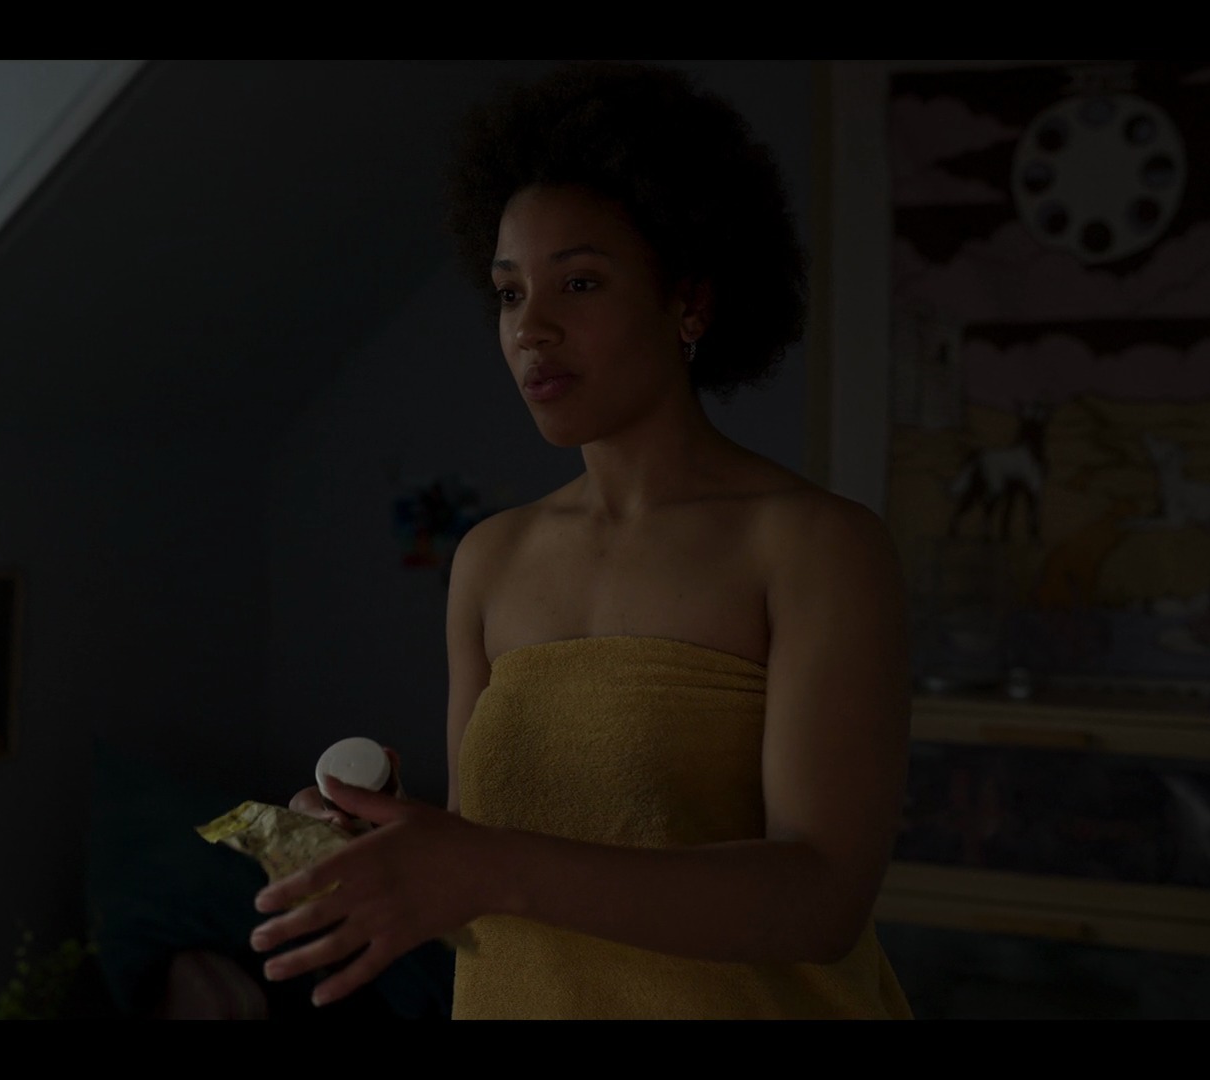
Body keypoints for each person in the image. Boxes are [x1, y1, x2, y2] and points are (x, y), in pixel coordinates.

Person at [259, 62, 913, 1019]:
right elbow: (493, 886)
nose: (533, 329)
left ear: (689, 301)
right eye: (509, 293)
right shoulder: (489, 561)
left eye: (580, 282)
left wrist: (483, 863)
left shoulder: (816, 549)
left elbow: (821, 900)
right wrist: (387, 856)